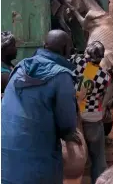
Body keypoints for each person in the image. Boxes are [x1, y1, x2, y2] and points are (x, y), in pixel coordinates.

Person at [1, 30, 80, 184]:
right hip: (38, 164)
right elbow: (67, 124)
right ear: (65, 50)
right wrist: (69, 133)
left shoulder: (20, 67)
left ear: (44, 46)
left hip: (5, 161)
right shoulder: (62, 76)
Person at [69, 41, 111, 184]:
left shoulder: (78, 63)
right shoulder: (105, 76)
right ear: (101, 58)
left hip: (75, 117)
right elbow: (102, 96)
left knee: (74, 159)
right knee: (98, 158)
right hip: (93, 119)